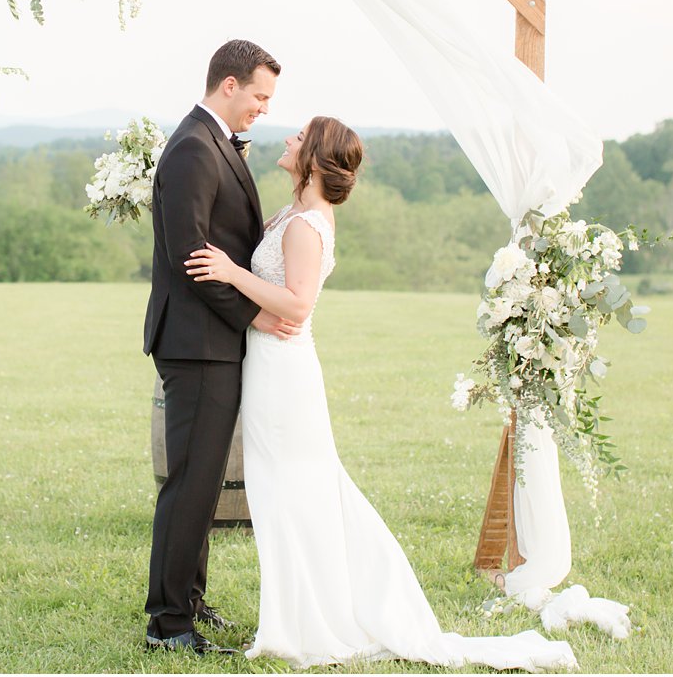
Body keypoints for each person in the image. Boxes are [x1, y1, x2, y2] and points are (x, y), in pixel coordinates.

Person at [183, 116, 579, 671]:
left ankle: (310, 621)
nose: (289, 139)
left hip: (283, 375)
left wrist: (229, 272)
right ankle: (298, 611)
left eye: (300, 137)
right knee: (287, 495)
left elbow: (297, 304)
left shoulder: (307, 226)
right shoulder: (294, 213)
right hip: (271, 366)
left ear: (315, 159)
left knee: (294, 493)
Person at [142, 39, 300, 655]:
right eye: (260, 95)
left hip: (210, 340)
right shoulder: (191, 149)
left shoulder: (210, 143)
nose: (264, 108)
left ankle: (190, 602)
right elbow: (191, 258)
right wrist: (254, 314)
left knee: (203, 484)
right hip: (197, 342)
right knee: (190, 484)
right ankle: (167, 624)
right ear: (228, 85)